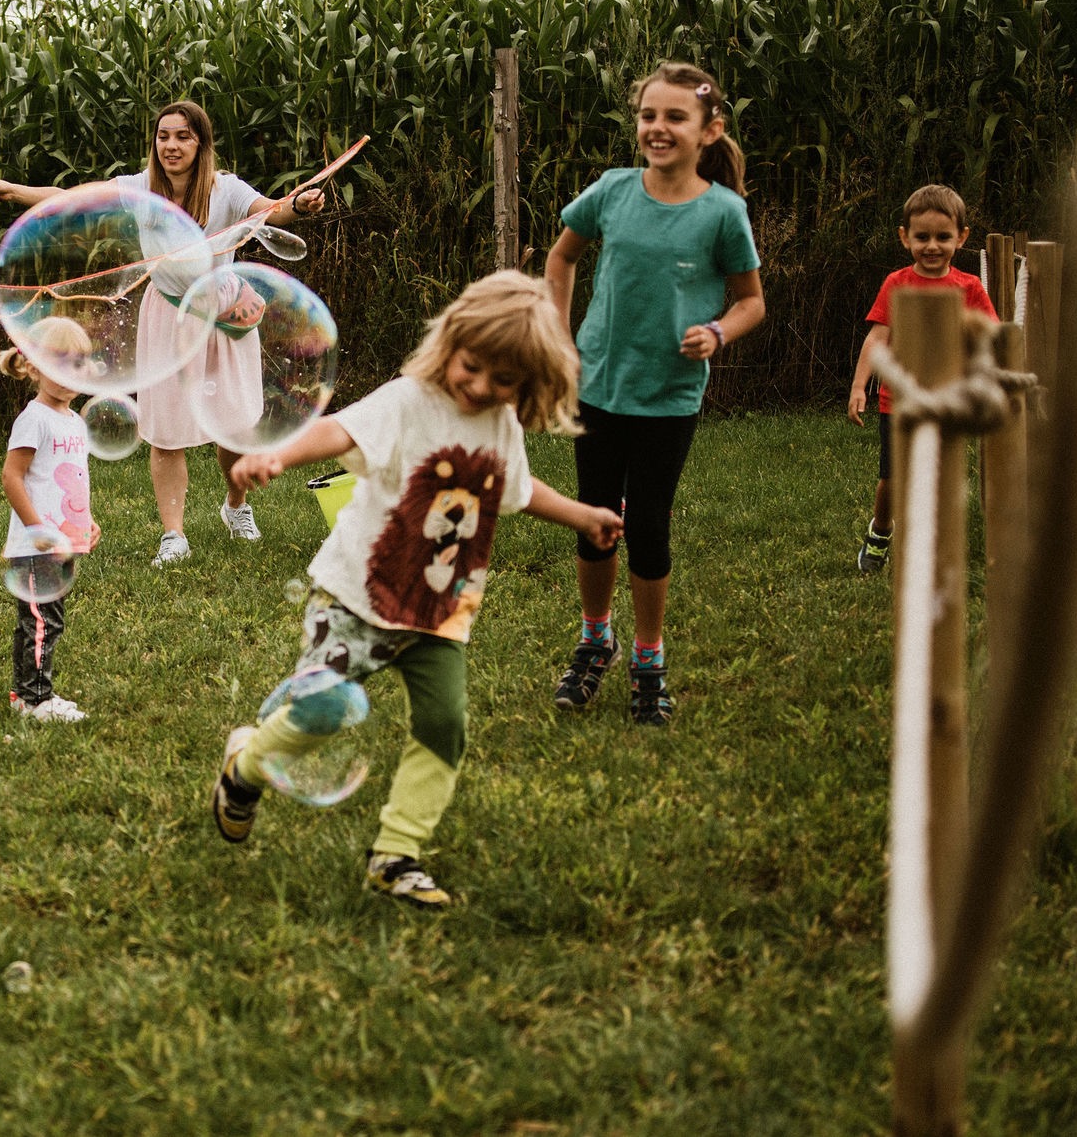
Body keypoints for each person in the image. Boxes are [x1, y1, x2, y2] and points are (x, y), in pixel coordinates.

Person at [213, 272, 622, 907]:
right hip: (356, 597)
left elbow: (517, 490)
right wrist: (280, 456)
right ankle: (244, 768)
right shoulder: (409, 400)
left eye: (503, 380)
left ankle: (397, 854)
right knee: (321, 711)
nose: (480, 386)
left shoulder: (501, 425)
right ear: (450, 342)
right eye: (471, 366)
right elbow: (340, 432)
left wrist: (583, 515)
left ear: (528, 383)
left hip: (439, 614)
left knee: (444, 724)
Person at [0, 99, 324, 566]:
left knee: (235, 428)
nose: (171, 146)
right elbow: (74, 196)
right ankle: (173, 535)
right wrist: (12, 190)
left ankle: (235, 506)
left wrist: (299, 205)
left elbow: (273, 213)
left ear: (200, 143)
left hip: (223, 314)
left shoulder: (225, 190)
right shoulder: (140, 188)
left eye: (182, 136)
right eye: (163, 136)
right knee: (165, 433)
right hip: (169, 314)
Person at [542, 61, 765, 726]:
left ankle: (648, 657)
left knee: (647, 526)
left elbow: (751, 301)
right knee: (595, 518)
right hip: (599, 386)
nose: (658, 128)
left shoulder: (723, 212)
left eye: (675, 117)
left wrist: (718, 332)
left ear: (709, 130)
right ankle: (595, 639)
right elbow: (561, 257)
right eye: (648, 115)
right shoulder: (613, 190)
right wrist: (560, 338)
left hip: (668, 396)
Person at [846, 185, 996, 572]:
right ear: (904, 236)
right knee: (892, 480)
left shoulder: (969, 288)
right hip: (898, 402)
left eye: (943, 237)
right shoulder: (897, 283)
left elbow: (989, 338)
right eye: (922, 236)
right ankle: (881, 531)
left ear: (961, 237)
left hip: (948, 400)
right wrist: (859, 386)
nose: (932, 246)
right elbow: (877, 338)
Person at [0, 318, 101, 723]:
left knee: (37, 622)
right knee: (44, 623)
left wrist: (87, 521)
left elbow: (72, 482)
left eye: (78, 363)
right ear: (33, 367)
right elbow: (12, 476)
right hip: (37, 545)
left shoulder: (74, 422)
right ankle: (37, 700)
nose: (70, 372)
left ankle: (23, 693)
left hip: (62, 541)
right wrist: (36, 529)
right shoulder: (35, 419)